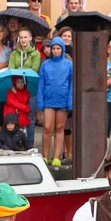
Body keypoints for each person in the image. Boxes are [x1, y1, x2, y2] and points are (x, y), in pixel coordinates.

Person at [39, 36, 72, 168]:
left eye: (58, 48)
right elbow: (41, 84)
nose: (56, 51)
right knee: (47, 127)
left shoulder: (69, 64)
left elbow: (71, 85)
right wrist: (40, 103)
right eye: (53, 48)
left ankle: (56, 156)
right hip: (49, 100)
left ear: (62, 49)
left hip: (63, 100)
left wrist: (70, 102)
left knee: (60, 128)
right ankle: (45, 156)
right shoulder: (45, 65)